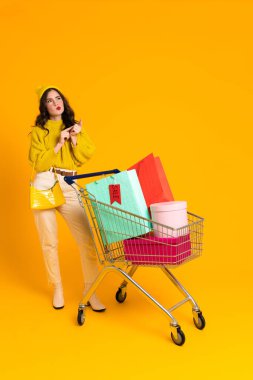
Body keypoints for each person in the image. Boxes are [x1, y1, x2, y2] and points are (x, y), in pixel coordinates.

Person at [29, 85, 106, 311]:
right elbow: (36, 163)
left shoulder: (73, 126)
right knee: (49, 241)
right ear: (44, 107)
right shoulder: (38, 131)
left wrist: (75, 138)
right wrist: (58, 144)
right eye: (50, 101)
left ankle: (90, 291)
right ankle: (58, 288)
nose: (55, 103)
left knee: (88, 241)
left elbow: (86, 155)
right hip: (45, 183)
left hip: (69, 184)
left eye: (58, 98)